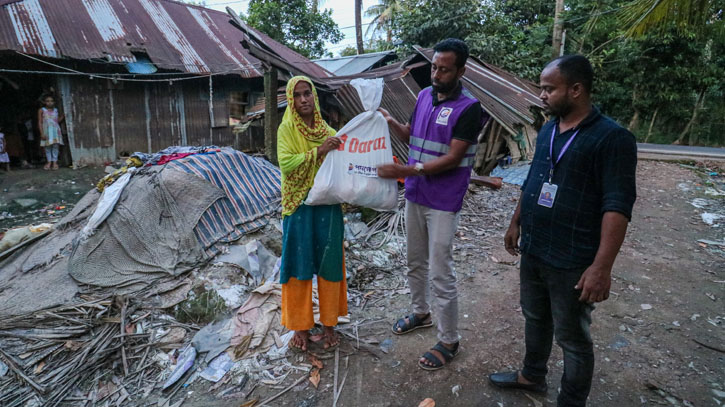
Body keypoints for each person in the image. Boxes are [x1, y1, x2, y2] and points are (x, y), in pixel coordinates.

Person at [488, 55, 637, 406]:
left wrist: (601, 268)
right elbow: (534, 180)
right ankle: (532, 375)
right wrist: (515, 222)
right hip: (536, 247)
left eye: (548, 89)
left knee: (572, 337)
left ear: (576, 89)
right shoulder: (550, 129)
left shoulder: (612, 139)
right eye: (541, 88)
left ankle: (571, 401)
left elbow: (617, 207)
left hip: (573, 257)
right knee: (535, 317)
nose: (541, 95)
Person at [377, 38, 486, 370]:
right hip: (416, 194)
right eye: (434, 67)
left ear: (461, 70)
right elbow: (414, 134)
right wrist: (393, 124)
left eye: (444, 69)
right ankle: (421, 313)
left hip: (443, 200)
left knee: (440, 270)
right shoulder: (424, 96)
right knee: (414, 261)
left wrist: (405, 170)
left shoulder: (471, 108)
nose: (436, 74)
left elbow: (453, 158)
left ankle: (449, 338)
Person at [277, 76, 347, 351]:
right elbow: (286, 163)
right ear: (291, 101)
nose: (304, 99)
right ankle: (300, 327)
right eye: (297, 95)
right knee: (298, 265)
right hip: (298, 206)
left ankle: (329, 323)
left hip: (327, 205)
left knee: (329, 263)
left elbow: (343, 158)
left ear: (315, 98)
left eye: (308, 94)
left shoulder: (327, 129)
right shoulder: (286, 130)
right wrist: (319, 151)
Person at [38, 94, 64, 171]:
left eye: (51, 101)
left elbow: (57, 121)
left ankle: (55, 162)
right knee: (47, 147)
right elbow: (40, 122)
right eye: (47, 101)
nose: (50, 103)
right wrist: (41, 133)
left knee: (55, 146)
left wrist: (63, 116)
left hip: (55, 130)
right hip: (46, 130)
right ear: (44, 102)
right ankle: (49, 162)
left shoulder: (56, 110)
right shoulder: (42, 110)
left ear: (54, 102)